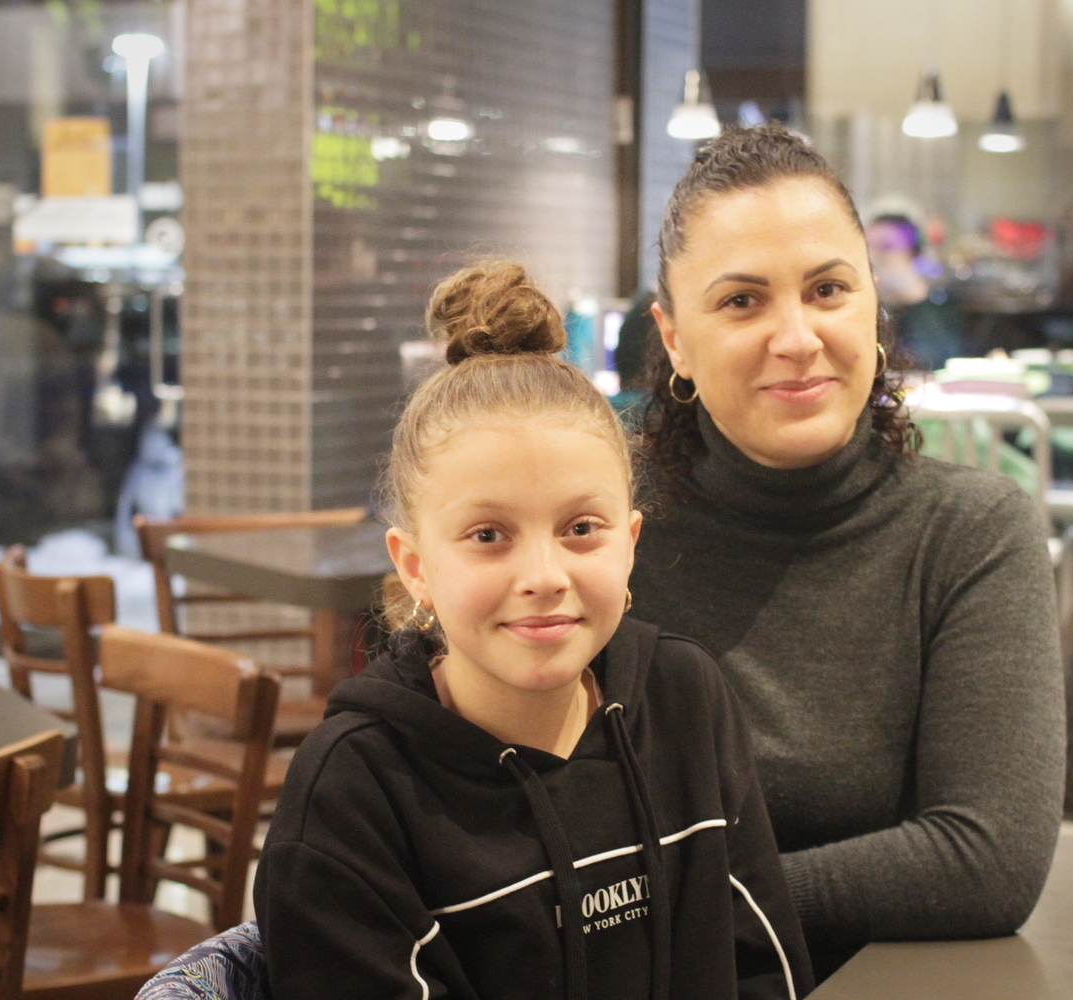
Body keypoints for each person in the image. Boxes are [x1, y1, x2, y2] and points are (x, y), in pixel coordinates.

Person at [254, 261, 813, 1000]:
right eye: (488, 535)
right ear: (415, 566)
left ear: (631, 540)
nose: (544, 574)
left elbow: (764, 970)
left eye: (581, 528)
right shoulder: (355, 791)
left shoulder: (685, 699)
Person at [629, 124, 1065, 979]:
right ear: (674, 336)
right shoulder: (601, 537)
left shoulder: (971, 533)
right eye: (741, 301)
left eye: (827, 289)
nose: (796, 337)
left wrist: (667, 902)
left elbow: (988, 863)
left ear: (873, 307)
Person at [864, 213, 965, 370]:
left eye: (886, 247)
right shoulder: (864, 304)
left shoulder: (941, 301)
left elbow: (936, 361)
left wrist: (914, 296)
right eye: (867, 247)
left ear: (912, 253)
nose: (873, 257)